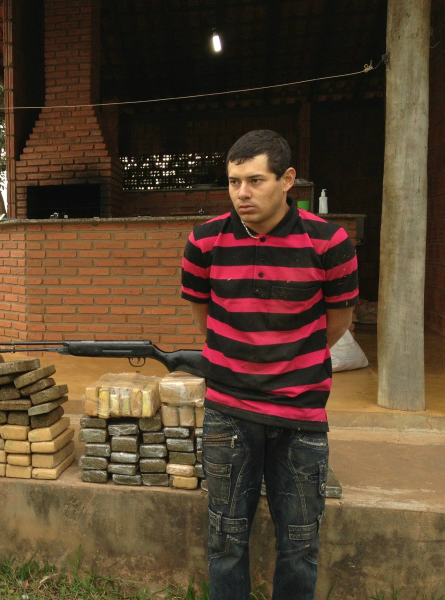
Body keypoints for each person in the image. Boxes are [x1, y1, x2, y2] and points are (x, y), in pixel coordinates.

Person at [181, 130, 358, 599]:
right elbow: (205, 318)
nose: (242, 193)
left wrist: (287, 358)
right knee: (225, 543)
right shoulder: (204, 242)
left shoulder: (329, 242)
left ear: (288, 180)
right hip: (227, 412)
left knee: (300, 547)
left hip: (300, 417)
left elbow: (336, 322)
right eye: (234, 181)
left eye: (255, 180)